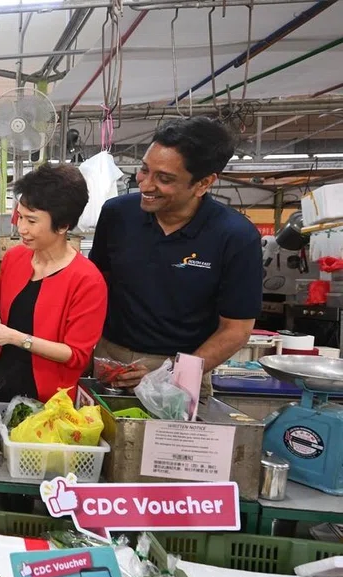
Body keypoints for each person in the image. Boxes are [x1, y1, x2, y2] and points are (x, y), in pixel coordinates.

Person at [89, 116, 263, 394]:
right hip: (110, 358)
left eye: (164, 179)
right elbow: (96, 284)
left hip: (183, 368)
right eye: (144, 170)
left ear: (203, 183)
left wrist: (169, 373)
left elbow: (236, 330)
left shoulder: (235, 236)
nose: (145, 185)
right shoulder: (117, 214)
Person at [0, 164, 107, 403]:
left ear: (63, 225)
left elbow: (76, 354)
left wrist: (15, 337)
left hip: (50, 398)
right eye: (20, 217)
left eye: (32, 220)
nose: (21, 228)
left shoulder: (87, 280)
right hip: (1, 382)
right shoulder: (14, 259)